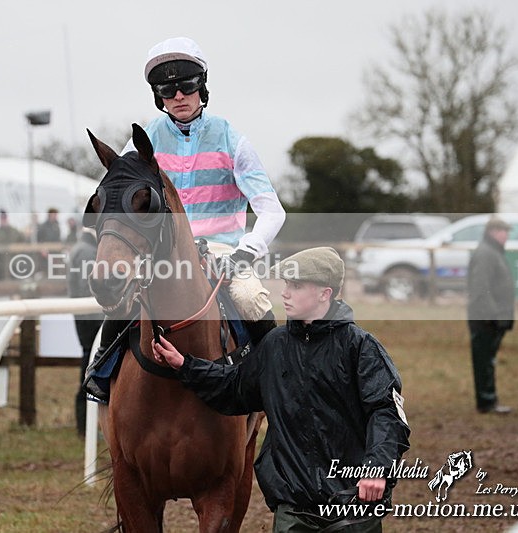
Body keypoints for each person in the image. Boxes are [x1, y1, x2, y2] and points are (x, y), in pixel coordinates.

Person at [152, 247, 411, 532]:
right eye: (286, 284)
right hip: (293, 509)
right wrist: (184, 365)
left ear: (325, 293)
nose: (285, 293)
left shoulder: (361, 348)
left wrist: (377, 469)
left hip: (352, 506)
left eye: (296, 286)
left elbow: (387, 415)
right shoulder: (274, 345)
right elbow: (234, 387)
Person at [87, 37, 286, 401]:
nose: (178, 96)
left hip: (225, 250)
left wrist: (247, 251)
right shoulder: (143, 142)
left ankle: (281, 384)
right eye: (168, 89)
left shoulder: (232, 140)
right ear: (158, 95)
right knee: (122, 301)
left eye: (187, 86)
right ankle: (101, 374)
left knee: (251, 297)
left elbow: (272, 209)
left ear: (202, 87)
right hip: (163, 252)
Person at [467, 216, 515, 414]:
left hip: (491, 317)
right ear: (493, 232)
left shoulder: (493, 252)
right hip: (485, 319)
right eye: (504, 231)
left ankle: (490, 398)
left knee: (488, 360)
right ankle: (486, 401)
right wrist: (491, 316)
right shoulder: (486, 254)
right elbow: (480, 288)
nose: (506, 235)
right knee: (484, 361)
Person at [66, 227, 103, 436]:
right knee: (89, 368)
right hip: (91, 319)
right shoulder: (87, 251)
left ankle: (85, 426)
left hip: (85, 319)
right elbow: (89, 287)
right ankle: (85, 426)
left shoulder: (82, 248)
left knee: (88, 365)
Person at [0, 209, 25, 279]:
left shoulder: (14, 231)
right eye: (2, 218)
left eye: (4, 218)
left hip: (14, 259)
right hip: (2, 260)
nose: (3, 220)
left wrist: (18, 249)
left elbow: (23, 240)